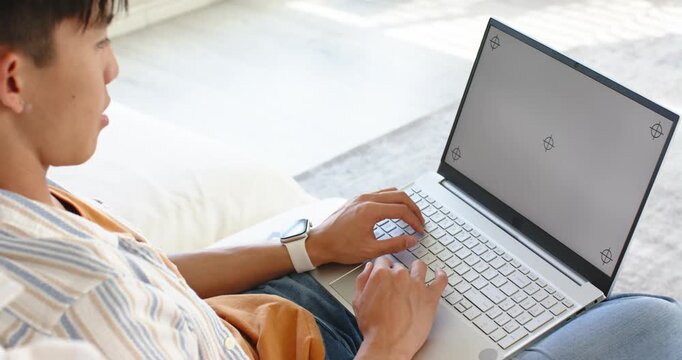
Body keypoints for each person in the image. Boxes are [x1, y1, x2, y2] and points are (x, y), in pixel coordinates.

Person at [0, 1, 680, 359]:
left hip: (264, 321)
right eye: (96, 45)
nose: (112, 70)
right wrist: (388, 342)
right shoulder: (75, 309)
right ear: (14, 78)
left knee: (410, 242)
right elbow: (112, 298)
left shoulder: (27, 207)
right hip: (346, 347)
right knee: (651, 324)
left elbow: (145, 277)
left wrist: (310, 247)